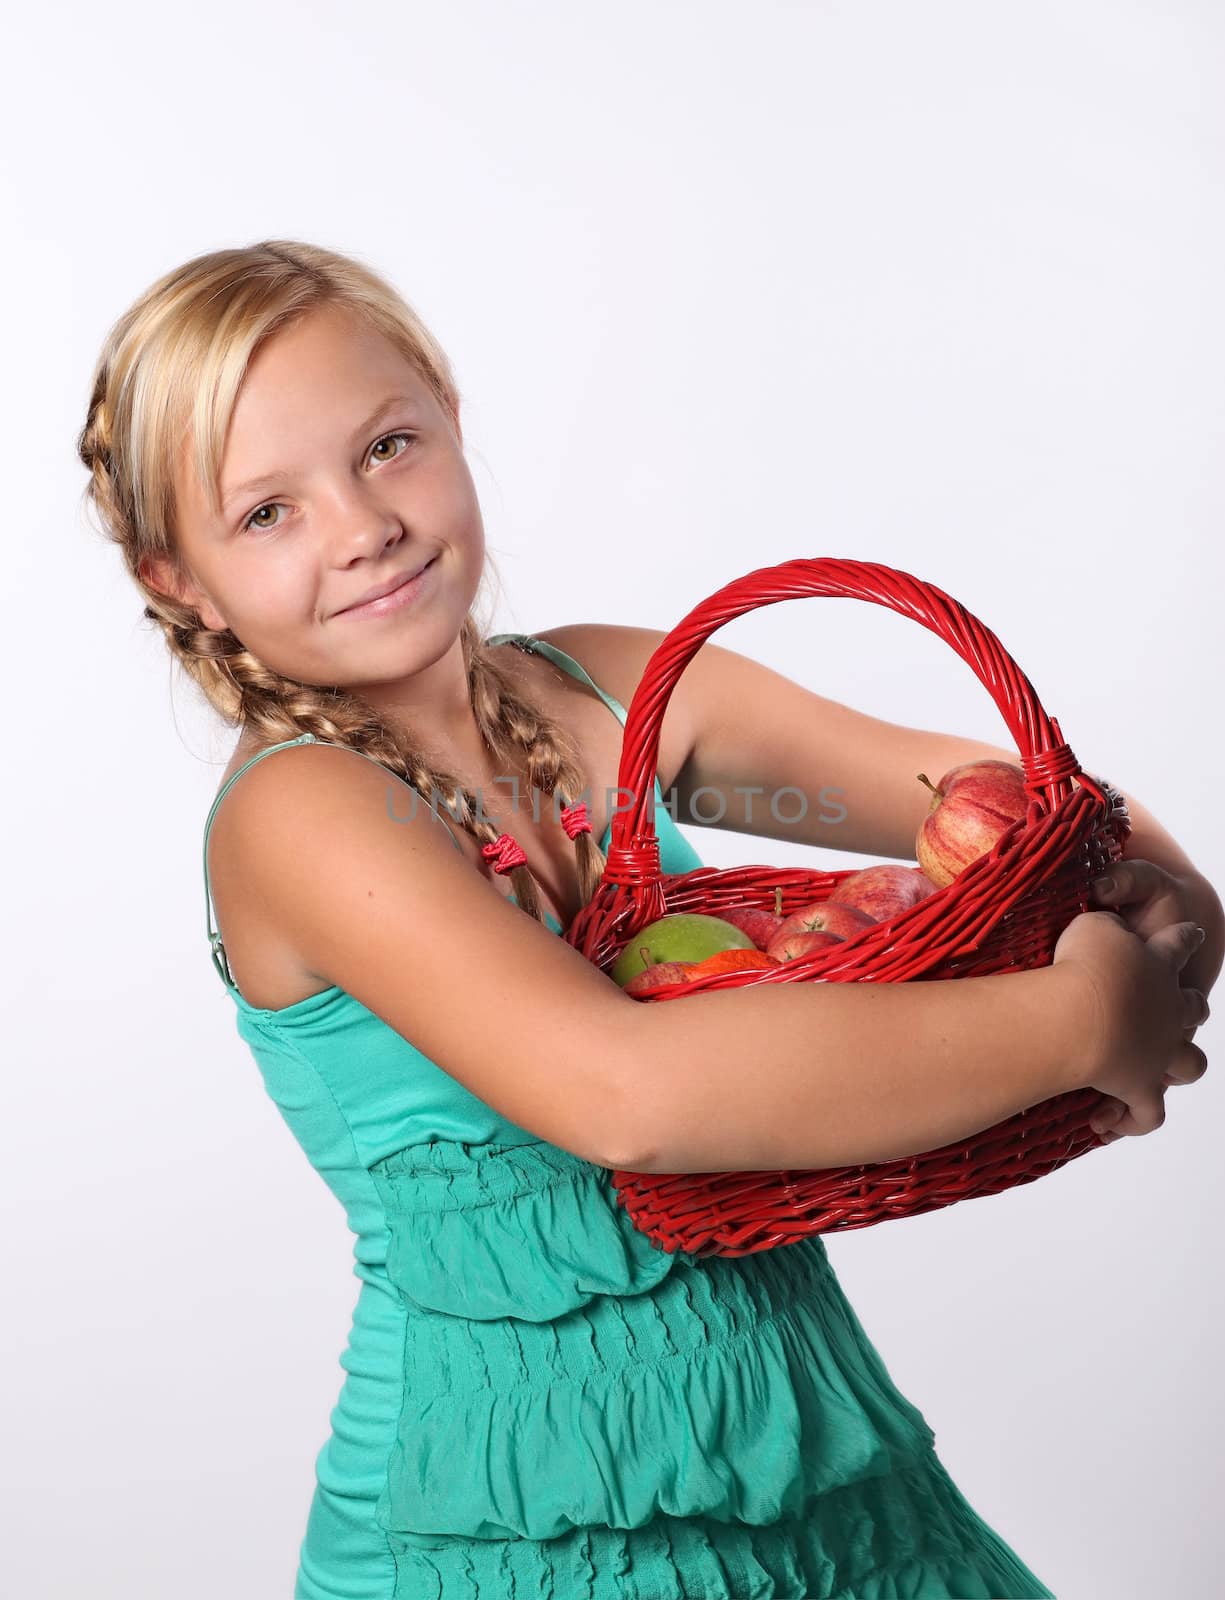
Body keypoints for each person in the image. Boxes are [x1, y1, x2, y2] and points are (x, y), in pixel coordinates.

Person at [77, 238, 1213, 1599]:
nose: (360, 524)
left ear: (447, 416)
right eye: (265, 512)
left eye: (386, 445)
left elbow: (1004, 801)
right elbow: (626, 1095)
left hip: (803, 1448)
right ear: (180, 585)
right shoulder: (306, 815)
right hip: (516, 1517)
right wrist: (1080, 1017)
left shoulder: (610, 695)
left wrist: (1166, 897)